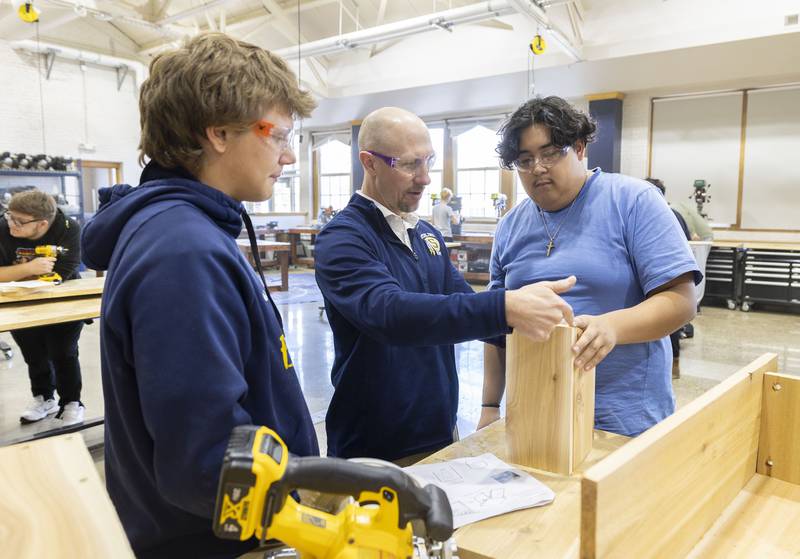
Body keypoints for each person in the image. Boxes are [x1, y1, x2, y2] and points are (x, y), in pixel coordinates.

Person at [80, 33, 318, 558]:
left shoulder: (183, 231)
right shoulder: (182, 251)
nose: (290, 155)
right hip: (213, 542)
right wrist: (315, 529)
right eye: (277, 134)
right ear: (218, 133)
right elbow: (205, 460)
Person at [314, 106, 577, 464]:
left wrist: (558, 329)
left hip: (436, 432)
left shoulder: (425, 235)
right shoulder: (343, 238)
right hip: (374, 443)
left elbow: (463, 307)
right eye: (409, 165)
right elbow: (390, 314)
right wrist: (505, 307)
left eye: (429, 162)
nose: (425, 179)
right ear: (369, 162)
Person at [478, 96, 700, 437]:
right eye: (524, 160)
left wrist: (612, 326)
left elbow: (681, 301)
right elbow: (498, 329)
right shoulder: (509, 227)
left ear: (580, 148)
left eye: (550, 153)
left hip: (623, 419)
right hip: (535, 414)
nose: (537, 167)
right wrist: (490, 406)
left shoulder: (633, 201)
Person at [0, 189, 85, 425]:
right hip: (18, 300)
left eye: (19, 221)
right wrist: (29, 269)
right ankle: (44, 398)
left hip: (61, 299)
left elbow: (62, 273)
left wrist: (12, 274)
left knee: (63, 352)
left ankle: (71, 402)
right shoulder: (2, 227)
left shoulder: (68, 229)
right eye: (9, 216)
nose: (11, 225)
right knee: (33, 354)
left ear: (42, 224)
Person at [647, 177, 693, 379]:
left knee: (668, 318)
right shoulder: (675, 214)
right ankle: (675, 362)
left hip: (670, 276)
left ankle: (673, 363)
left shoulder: (660, 215)